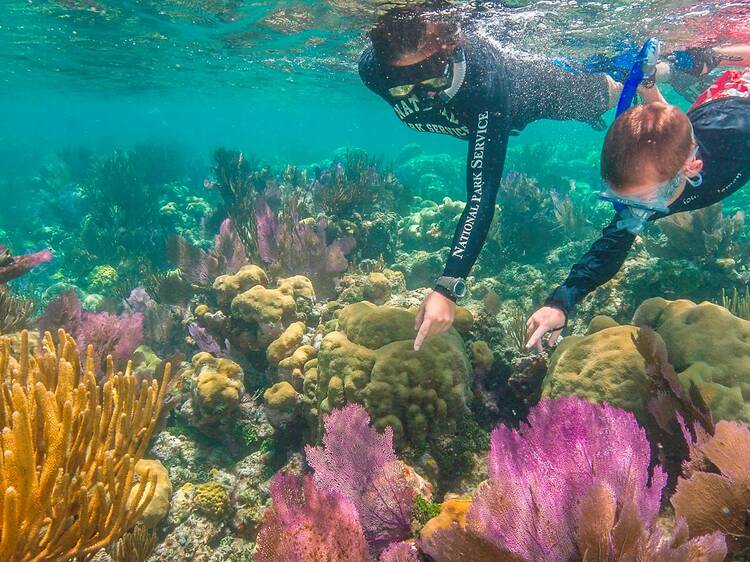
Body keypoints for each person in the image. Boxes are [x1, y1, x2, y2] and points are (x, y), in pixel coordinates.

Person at [359, 2, 625, 351]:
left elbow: (481, 195)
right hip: (481, 111)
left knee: (606, 93)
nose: (424, 95)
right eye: (402, 85)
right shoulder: (372, 71)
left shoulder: (485, 83)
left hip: (529, 91)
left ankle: (669, 69)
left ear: (451, 50)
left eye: (434, 78)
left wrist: (447, 285)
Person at [526, 44, 750, 351]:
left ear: (691, 170)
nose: (637, 212)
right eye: (626, 199)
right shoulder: (647, 193)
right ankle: (650, 85)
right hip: (701, 117)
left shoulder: (739, 143)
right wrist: (561, 301)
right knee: (677, 130)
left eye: (645, 199)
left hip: (737, 105)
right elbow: (608, 250)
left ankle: (683, 68)